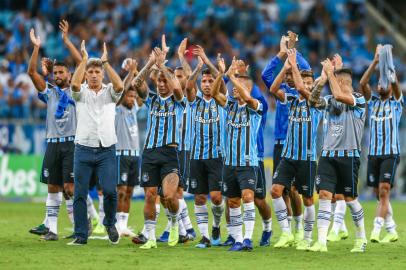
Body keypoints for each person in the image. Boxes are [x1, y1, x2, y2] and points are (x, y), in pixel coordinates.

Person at [308, 57, 367, 253]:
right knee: (325, 195)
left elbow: (341, 96)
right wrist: (323, 80)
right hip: (327, 155)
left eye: (335, 80)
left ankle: (361, 238)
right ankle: (322, 242)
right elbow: (312, 101)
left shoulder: (358, 100)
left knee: (349, 198)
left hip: (349, 157)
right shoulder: (330, 101)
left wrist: (331, 73)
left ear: (341, 82)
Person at [68, 40, 124, 246]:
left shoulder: (110, 91)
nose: (93, 74)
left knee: (110, 190)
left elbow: (120, 86)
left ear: (102, 74)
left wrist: (107, 62)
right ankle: (81, 235)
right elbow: (74, 84)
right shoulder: (80, 92)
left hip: (106, 149)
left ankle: (110, 222)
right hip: (83, 148)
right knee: (79, 194)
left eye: (96, 71)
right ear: (86, 74)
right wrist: (83, 59)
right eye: (89, 71)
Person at [27, 25, 79, 241]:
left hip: (72, 144)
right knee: (53, 187)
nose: (57, 75)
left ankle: (78, 227)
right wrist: (36, 48)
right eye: (55, 72)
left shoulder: (77, 91)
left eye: (61, 72)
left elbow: (81, 62)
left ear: (69, 74)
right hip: (53, 144)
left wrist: (67, 41)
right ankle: (53, 231)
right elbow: (31, 72)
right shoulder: (49, 94)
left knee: (69, 188)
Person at [269, 49, 324, 250]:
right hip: (288, 156)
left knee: (307, 199)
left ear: (314, 86)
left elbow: (300, 87)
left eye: (311, 83)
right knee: (275, 191)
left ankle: (307, 237)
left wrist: (294, 63)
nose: (306, 86)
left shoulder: (318, 103)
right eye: (305, 83)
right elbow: (273, 89)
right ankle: (286, 232)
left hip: (307, 158)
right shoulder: (291, 99)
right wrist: (285, 68)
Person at [133, 47, 185, 249]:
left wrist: (162, 65)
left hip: (170, 153)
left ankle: (173, 224)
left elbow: (179, 89)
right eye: (159, 81)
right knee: (149, 195)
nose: (162, 85)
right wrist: (150, 63)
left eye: (165, 81)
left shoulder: (178, 102)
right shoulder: (152, 100)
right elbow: (137, 83)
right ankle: (151, 238)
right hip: (150, 153)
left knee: (169, 196)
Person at [261, 32, 310, 241]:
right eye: (288, 74)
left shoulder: (305, 93)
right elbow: (266, 76)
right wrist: (282, 56)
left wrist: (292, 50)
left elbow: (307, 70)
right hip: (280, 145)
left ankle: (298, 227)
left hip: (298, 145)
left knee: (293, 190)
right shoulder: (282, 92)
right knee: (280, 191)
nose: (289, 76)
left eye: (291, 73)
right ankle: (288, 231)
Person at [211, 58, 262, 251]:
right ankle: (239, 239)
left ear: (246, 88)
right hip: (229, 163)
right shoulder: (230, 106)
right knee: (233, 201)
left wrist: (233, 76)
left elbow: (248, 99)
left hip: (247, 162)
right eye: (233, 85)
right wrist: (222, 73)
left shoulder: (255, 107)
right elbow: (215, 93)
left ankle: (248, 238)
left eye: (238, 86)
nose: (233, 88)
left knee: (248, 197)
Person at [360, 44, 402, 243]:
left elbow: (395, 86)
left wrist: (390, 72)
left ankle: (376, 231)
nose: (381, 84)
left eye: (384, 82)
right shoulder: (373, 102)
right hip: (373, 154)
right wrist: (376, 62)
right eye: (379, 82)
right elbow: (362, 83)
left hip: (390, 154)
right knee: (378, 193)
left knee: (384, 189)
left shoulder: (396, 103)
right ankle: (391, 229)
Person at [185, 55, 226, 248]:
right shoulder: (195, 102)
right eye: (204, 81)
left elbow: (222, 84)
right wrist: (196, 68)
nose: (207, 84)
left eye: (210, 81)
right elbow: (187, 87)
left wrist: (211, 65)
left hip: (217, 157)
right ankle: (204, 237)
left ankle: (216, 225)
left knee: (217, 197)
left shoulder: (221, 101)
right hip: (197, 157)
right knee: (200, 197)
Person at [115, 58, 144, 237]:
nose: (132, 99)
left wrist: (137, 71)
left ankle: (124, 226)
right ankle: (117, 225)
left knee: (130, 191)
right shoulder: (117, 108)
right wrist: (130, 73)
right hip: (121, 155)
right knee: (121, 191)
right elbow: (122, 90)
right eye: (129, 96)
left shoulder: (134, 109)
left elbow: (142, 91)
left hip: (135, 155)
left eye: (134, 97)